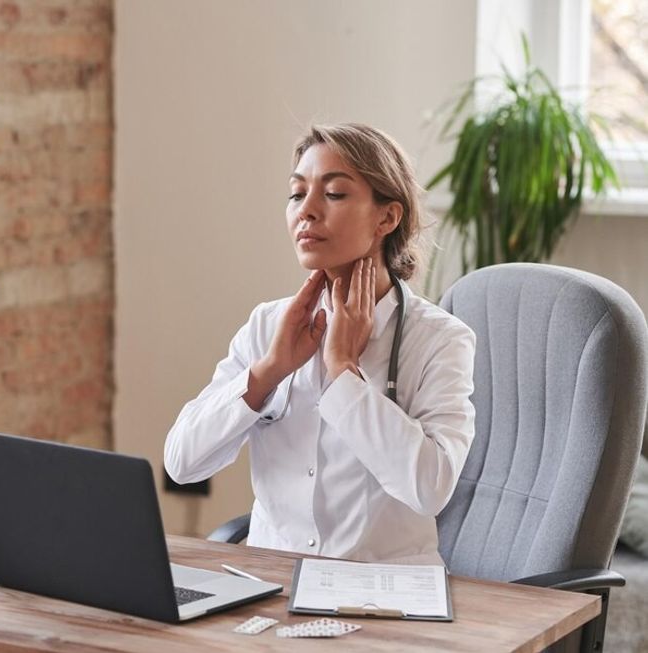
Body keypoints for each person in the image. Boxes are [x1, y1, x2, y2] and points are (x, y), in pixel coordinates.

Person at [164, 123, 475, 566]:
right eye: (296, 194)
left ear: (387, 218)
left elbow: (431, 490)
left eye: (333, 194)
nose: (306, 211)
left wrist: (344, 372)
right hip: (270, 583)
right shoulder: (267, 326)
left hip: (383, 595)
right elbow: (181, 462)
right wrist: (267, 371)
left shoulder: (440, 339)